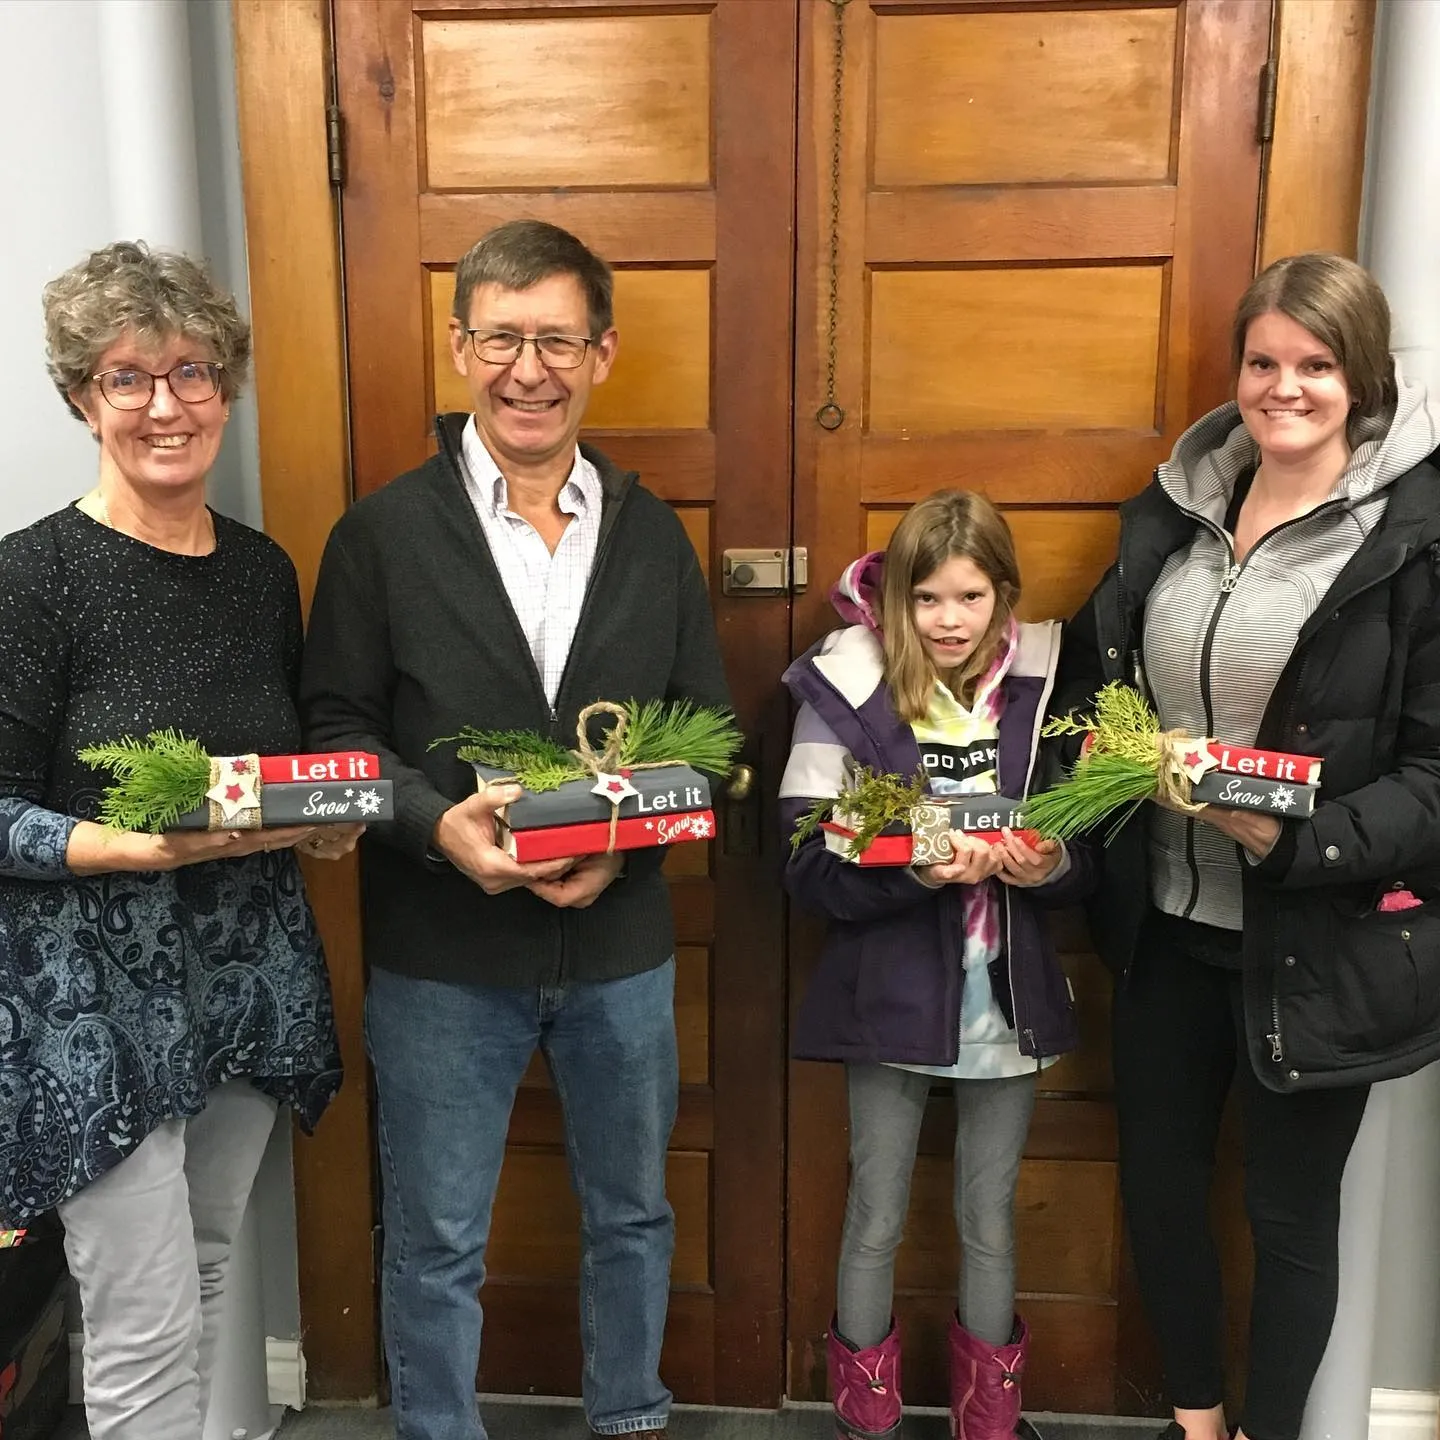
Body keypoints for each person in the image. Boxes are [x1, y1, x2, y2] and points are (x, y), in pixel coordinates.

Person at [300, 219, 730, 1440]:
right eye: (500, 337)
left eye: (555, 339)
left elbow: (702, 729)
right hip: (441, 960)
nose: (526, 368)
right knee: (434, 1237)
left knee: (634, 1216)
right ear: (457, 348)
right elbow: (336, 731)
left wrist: (621, 847)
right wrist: (439, 827)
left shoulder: (652, 533)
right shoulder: (380, 535)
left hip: (621, 953)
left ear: (603, 352)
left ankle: (630, 1416)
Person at [1054, 252, 1440, 1440]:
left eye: (1316, 366)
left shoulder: (1413, 544)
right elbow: (1094, 681)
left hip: (1318, 943)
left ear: (1361, 377)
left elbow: (1433, 783)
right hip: (1167, 927)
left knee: (1286, 1217)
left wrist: (1285, 842)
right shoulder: (1177, 512)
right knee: (1162, 1196)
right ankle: (1197, 1423)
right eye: (1264, 362)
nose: (1284, 389)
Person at [0, 240, 353, 1440]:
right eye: (127, 377)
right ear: (79, 398)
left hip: (245, 971)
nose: (166, 403)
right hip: (97, 994)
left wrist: (322, 826)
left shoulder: (262, 573)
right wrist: (127, 849)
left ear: (227, 386)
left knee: (203, 1274)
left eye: (193, 370)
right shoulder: (30, 579)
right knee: (141, 1317)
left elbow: (278, 770)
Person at [780, 490, 1096, 1440]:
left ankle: (988, 1422)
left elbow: (1096, 849)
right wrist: (909, 872)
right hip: (891, 1005)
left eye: (970, 597)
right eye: (927, 600)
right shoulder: (842, 691)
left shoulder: (1047, 689)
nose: (949, 621)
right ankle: (864, 1420)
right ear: (891, 603)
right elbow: (803, 862)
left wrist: (1052, 864)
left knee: (989, 1216)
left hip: (1010, 1006)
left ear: (1004, 596)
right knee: (874, 1212)